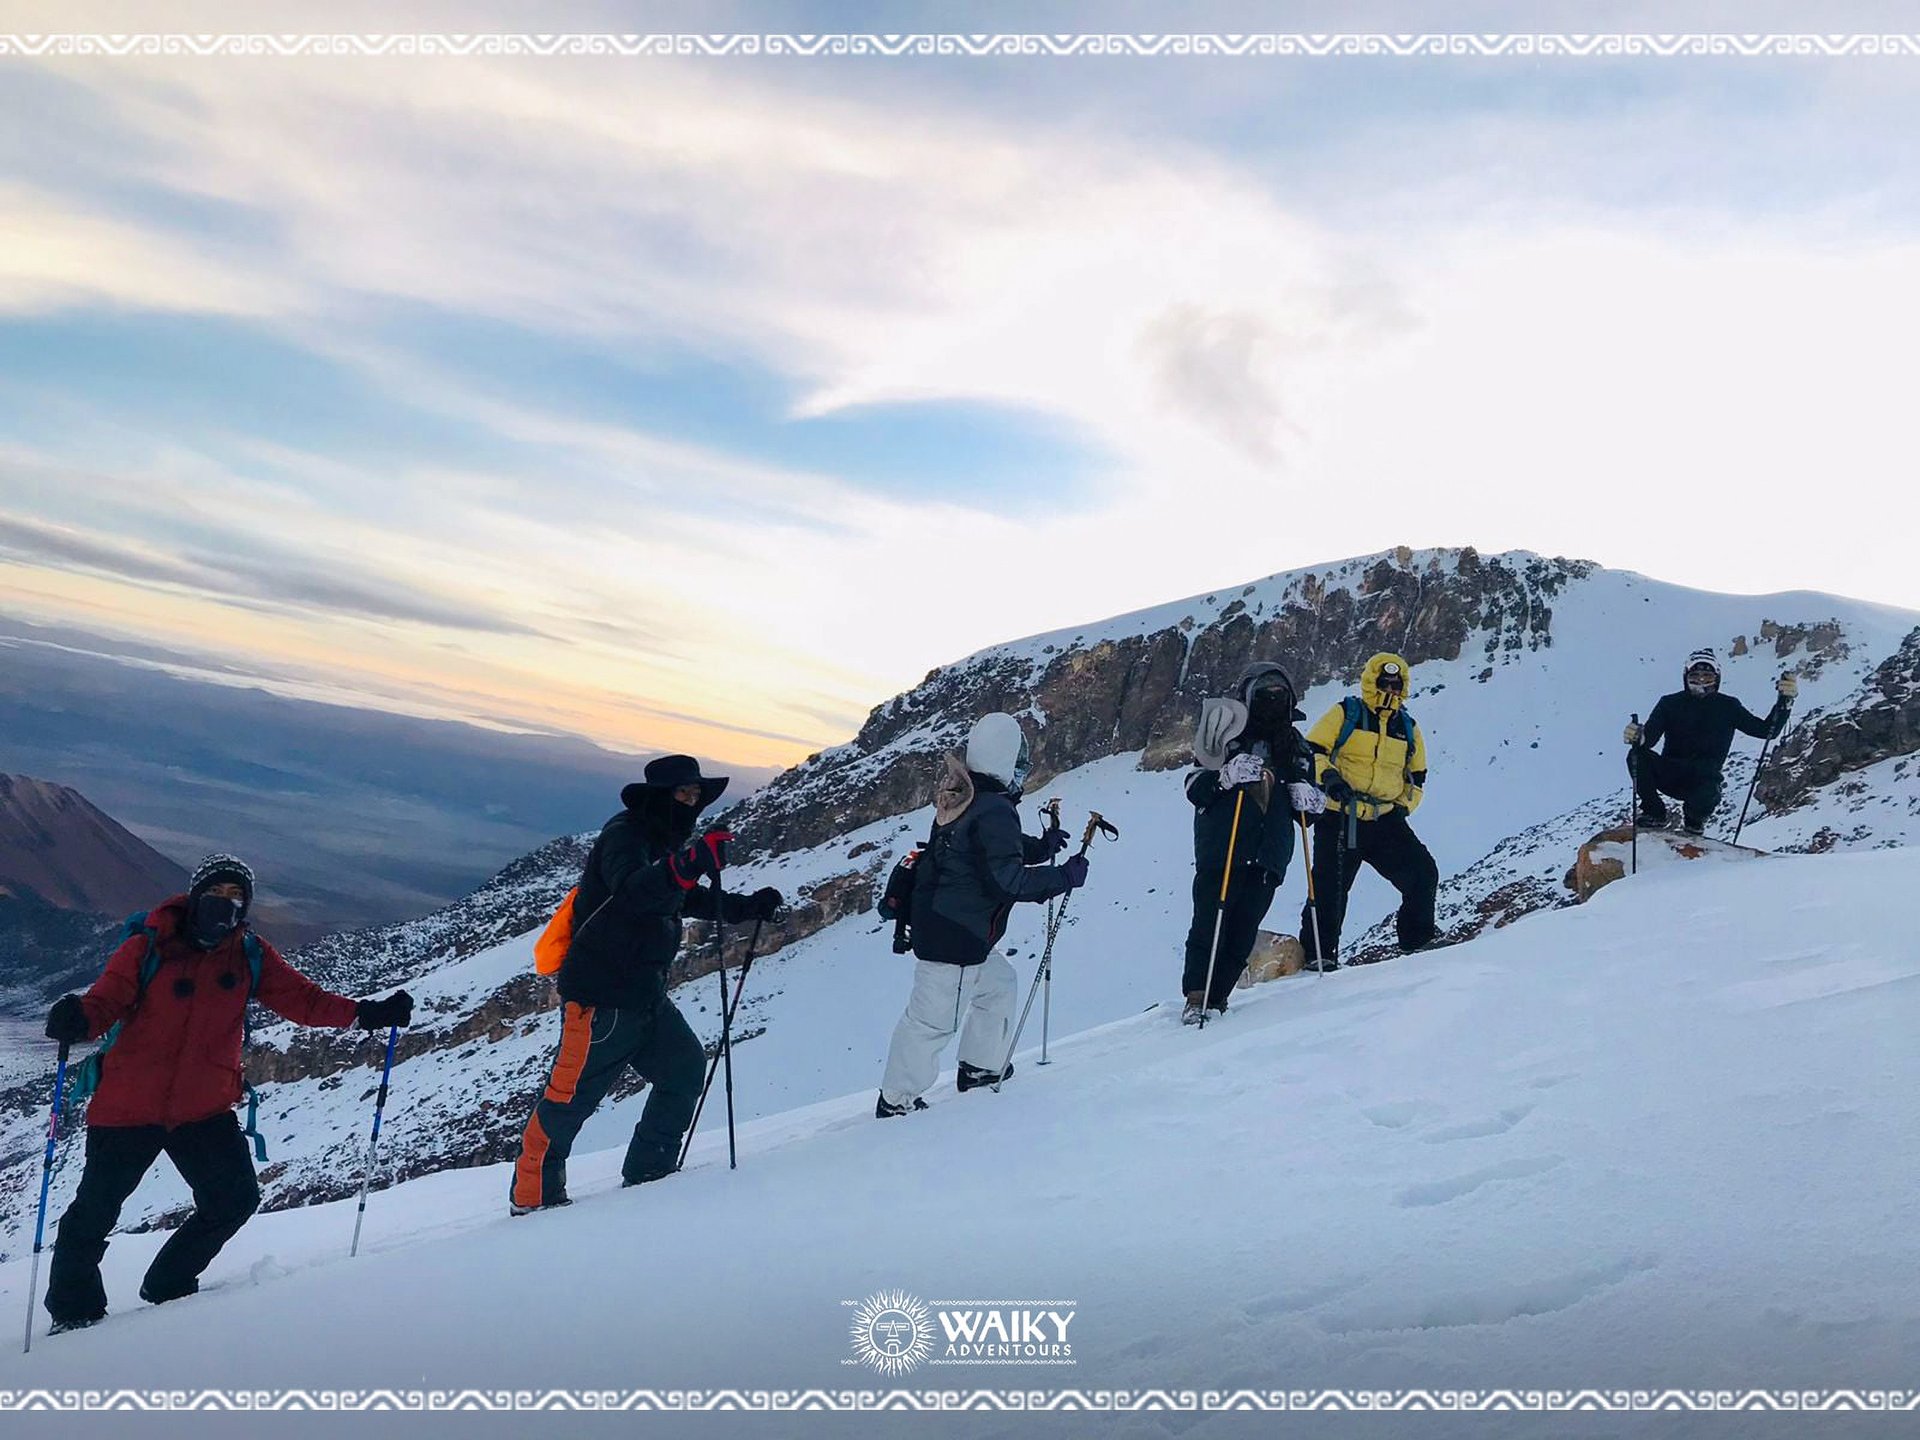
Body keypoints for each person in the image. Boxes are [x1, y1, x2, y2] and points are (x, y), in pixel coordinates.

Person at [40, 853, 413, 1334]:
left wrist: (366, 1013)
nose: (225, 905)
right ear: (195, 897)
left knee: (233, 1198)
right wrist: (79, 1019)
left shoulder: (250, 955)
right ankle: (74, 1313)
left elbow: (304, 1000)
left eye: (236, 898)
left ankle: (169, 1283)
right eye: (216, 895)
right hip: (129, 1105)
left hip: (203, 1106)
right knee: (93, 1212)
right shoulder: (147, 947)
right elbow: (106, 1001)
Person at [510, 756, 782, 1213]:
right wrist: (689, 862)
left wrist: (744, 907)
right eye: (683, 794)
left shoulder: (663, 841)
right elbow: (633, 889)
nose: (691, 803)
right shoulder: (626, 835)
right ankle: (533, 1201)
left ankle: (651, 1178)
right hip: (598, 1001)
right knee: (568, 1100)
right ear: (659, 796)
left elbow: (682, 894)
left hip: (646, 996)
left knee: (684, 1070)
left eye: (696, 796)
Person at [876, 713, 1087, 1117]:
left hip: (949, 928)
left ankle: (980, 1067)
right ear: (1006, 758)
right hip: (955, 938)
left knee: (998, 985)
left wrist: (1041, 848)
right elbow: (1005, 880)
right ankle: (896, 1102)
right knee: (931, 1021)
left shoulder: (966, 797)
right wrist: (1062, 876)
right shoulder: (992, 808)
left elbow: (984, 851)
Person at [1181, 661, 1323, 1024]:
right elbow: (1194, 787)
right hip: (1223, 847)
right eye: (1265, 695)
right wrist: (1224, 777)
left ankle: (1218, 998)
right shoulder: (1223, 734)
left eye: (1279, 696)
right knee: (1209, 923)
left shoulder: (1295, 745)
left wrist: (1310, 797)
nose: (1273, 702)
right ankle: (1197, 997)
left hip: (1268, 853)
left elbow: (1309, 803)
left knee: (1244, 930)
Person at [1298, 652, 1439, 966]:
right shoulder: (1346, 713)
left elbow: (1417, 776)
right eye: (1384, 682)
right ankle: (1319, 957)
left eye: (1396, 683)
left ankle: (1418, 941)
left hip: (1384, 819)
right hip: (1339, 815)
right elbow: (1312, 751)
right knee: (1328, 889)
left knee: (1422, 873)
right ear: (1371, 682)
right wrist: (1329, 777)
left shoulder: (1407, 727)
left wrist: (1403, 807)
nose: (1390, 688)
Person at [1625, 648, 1795, 835]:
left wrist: (1784, 703)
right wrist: (1638, 737)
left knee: (1707, 791)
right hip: (1670, 773)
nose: (1701, 681)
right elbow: (1647, 740)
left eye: (1707, 676)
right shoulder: (1669, 704)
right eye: (1695, 675)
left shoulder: (1728, 706)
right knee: (1636, 755)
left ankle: (1694, 823)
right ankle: (1654, 813)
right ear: (1686, 676)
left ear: (1717, 677)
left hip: (1703, 781)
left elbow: (1765, 731)